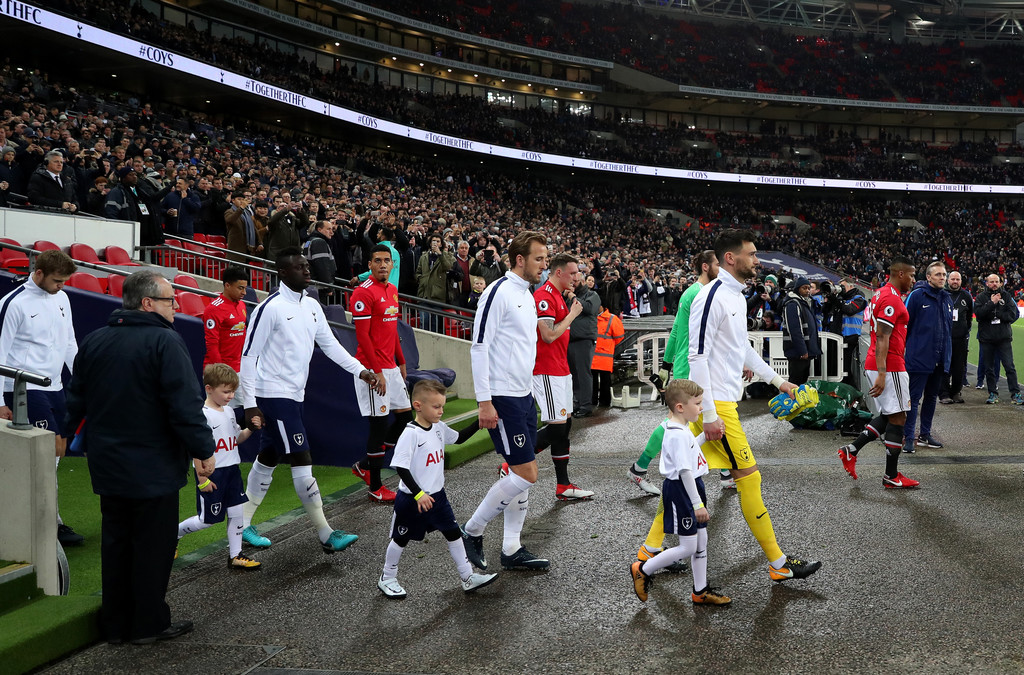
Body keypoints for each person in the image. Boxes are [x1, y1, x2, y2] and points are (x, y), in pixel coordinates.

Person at [64, 270, 216, 644]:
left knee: (116, 542)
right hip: (154, 463)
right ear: (147, 303)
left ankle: (115, 624)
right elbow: (184, 404)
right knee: (152, 545)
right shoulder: (166, 341)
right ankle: (148, 623)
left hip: (108, 462)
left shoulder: (95, 340)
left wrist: (66, 433)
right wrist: (203, 449)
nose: (176, 306)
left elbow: (76, 398)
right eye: (169, 300)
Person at [688, 229, 821, 582]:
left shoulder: (735, 295)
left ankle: (647, 553)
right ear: (730, 258)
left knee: (684, 476)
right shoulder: (710, 296)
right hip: (715, 405)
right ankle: (778, 563)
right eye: (751, 254)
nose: (757, 260)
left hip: (721, 402)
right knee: (749, 477)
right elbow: (696, 356)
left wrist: (780, 382)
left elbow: (743, 349)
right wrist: (710, 414)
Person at [238, 248, 383, 552]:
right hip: (273, 394)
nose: (307, 270)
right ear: (282, 272)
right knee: (302, 458)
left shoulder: (313, 305)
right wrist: (249, 402)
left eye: (307, 266)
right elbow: (248, 357)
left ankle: (241, 524)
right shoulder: (270, 308)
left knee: (269, 455)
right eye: (299, 267)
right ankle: (326, 534)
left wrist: (361, 371)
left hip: (295, 394)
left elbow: (330, 345)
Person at [461, 230, 551, 573]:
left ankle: (511, 549)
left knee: (519, 470)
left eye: (545, 259)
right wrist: (485, 401)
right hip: (502, 396)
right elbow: (479, 346)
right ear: (520, 259)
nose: (543, 265)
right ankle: (472, 530)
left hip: (523, 394)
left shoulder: (527, 293)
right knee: (527, 474)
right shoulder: (497, 292)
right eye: (539, 259)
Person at [376, 380, 496, 598]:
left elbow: (458, 438)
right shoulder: (411, 434)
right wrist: (419, 494)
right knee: (400, 538)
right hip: (412, 499)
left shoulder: (438, 427)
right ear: (418, 405)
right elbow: (401, 467)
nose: (441, 411)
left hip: (438, 497)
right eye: (436, 406)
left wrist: (479, 423)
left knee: (453, 534)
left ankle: (467, 577)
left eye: (442, 406)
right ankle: (387, 577)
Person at [0, 250, 82, 546]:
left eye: (64, 281)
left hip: (55, 386)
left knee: (57, 452)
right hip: (23, 387)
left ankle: (46, 520)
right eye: (57, 280)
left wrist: (84, 381)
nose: (61, 285)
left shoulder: (63, 297)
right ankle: (46, 525)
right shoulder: (13, 303)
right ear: (38, 273)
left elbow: (70, 342)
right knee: (44, 453)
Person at [629, 379, 731, 606]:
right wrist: (697, 504)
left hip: (692, 485)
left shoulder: (679, 428)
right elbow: (684, 471)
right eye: (697, 403)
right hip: (682, 490)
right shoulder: (676, 434)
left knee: (701, 541)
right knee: (689, 546)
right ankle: (643, 569)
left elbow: (689, 449)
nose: (701, 408)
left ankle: (700, 591)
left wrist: (705, 437)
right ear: (680, 407)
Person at [641, 251, 723, 494]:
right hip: (692, 364)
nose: (722, 268)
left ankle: (726, 470)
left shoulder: (692, 292)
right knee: (677, 422)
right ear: (706, 267)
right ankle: (639, 468)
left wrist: (666, 366)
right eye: (718, 264)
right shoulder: (698, 293)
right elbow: (680, 331)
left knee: (705, 415)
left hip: (690, 363)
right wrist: (668, 366)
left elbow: (676, 330)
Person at [838, 256, 921, 489]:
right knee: (899, 417)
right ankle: (891, 476)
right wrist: (883, 374)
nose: (913, 280)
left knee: (888, 414)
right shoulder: (890, 298)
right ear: (900, 274)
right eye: (912, 275)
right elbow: (883, 336)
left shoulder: (881, 294)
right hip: (889, 364)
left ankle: (851, 450)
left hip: (883, 362)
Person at [176, 364, 262, 570]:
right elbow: (196, 447)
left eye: (233, 391)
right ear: (209, 389)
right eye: (226, 391)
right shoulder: (202, 415)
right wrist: (202, 479)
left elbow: (236, 439)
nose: (231, 396)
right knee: (207, 520)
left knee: (237, 513)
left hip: (232, 471)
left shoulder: (229, 412)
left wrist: (251, 428)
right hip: (213, 474)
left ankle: (236, 556)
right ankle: (174, 534)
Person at [520, 252, 591, 500]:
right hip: (546, 370)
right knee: (557, 428)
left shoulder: (559, 295)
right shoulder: (544, 296)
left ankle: (564, 485)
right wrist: (572, 314)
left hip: (560, 369)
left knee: (565, 426)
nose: (576, 278)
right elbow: (548, 335)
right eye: (572, 273)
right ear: (559, 272)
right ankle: (513, 463)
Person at [350, 244, 413, 502]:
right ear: (369, 265)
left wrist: (401, 361)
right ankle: (375, 487)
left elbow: (392, 328)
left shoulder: (392, 290)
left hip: (391, 366)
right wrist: (377, 372)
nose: (383, 264)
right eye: (377, 260)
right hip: (371, 368)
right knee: (378, 426)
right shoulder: (362, 293)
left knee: (405, 419)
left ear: (392, 264)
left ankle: (365, 465)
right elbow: (363, 336)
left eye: (387, 260)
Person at [902, 262, 952, 452]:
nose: (942, 278)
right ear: (928, 277)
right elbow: (905, 325)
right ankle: (908, 437)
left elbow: (947, 329)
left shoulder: (947, 298)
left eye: (944, 274)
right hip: (919, 357)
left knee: (931, 398)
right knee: (913, 399)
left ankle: (925, 434)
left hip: (939, 358)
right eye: (938, 274)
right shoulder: (917, 296)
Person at [975, 273, 1021, 405]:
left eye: (996, 281)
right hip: (987, 339)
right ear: (987, 283)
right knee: (989, 368)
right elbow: (978, 315)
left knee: (1009, 366)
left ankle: (1015, 393)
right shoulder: (981, 297)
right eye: (991, 282)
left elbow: (1012, 315)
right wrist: (992, 303)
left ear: (1001, 283)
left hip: (1003, 338)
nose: (994, 284)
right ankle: (992, 393)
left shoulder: (1006, 296)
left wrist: (998, 314)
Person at [568, 266, 600, 417]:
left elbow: (588, 308)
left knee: (583, 373)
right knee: (574, 374)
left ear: (582, 281)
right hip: (571, 339)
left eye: (575, 281)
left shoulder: (592, 295)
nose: (573, 283)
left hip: (585, 339)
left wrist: (573, 297)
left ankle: (586, 405)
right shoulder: (568, 297)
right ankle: (577, 403)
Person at [202, 266, 249, 372]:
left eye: (245, 288)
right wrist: (220, 369)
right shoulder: (214, 309)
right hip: (219, 369)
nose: (244, 292)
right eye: (240, 288)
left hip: (239, 367)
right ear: (227, 285)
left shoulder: (242, 305)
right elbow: (211, 343)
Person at [781, 277, 821, 386]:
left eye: (809, 288)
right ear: (797, 289)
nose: (807, 290)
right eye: (804, 288)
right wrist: (802, 350)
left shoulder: (803, 302)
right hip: (798, 353)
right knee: (795, 383)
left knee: (802, 383)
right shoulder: (792, 304)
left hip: (805, 351)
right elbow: (795, 330)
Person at [940, 271, 973, 405]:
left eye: (957, 279)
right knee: (944, 366)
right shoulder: (941, 294)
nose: (955, 281)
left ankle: (956, 392)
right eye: (953, 279)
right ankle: (944, 394)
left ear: (961, 281)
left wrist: (964, 330)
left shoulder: (966, 296)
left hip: (960, 339)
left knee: (959, 367)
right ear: (948, 280)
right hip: (944, 338)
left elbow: (969, 316)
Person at [415, 233, 454, 333]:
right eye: (433, 241)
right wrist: (421, 279)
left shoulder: (446, 255)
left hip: (438, 296)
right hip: (424, 294)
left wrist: (440, 254)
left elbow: (447, 267)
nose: (435, 243)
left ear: (441, 244)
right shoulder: (424, 256)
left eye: (438, 241)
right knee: (424, 322)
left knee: (435, 325)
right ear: (430, 243)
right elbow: (418, 272)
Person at [590, 301, 624, 408]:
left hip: (601, 356)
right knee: (598, 381)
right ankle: (599, 403)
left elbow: (619, 336)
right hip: (601, 356)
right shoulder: (611, 319)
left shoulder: (611, 318)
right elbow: (619, 337)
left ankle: (599, 402)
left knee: (600, 381)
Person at [837, 279, 868, 388]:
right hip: (841, 336)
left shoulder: (859, 299)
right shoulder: (844, 299)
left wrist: (839, 302)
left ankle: (851, 388)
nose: (841, 289)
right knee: (840, 366)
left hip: (852, 336)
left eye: (843, 286)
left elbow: (850, 310)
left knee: (846, 366)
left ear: (851, 286)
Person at [303, 220, 338, 303]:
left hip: (314, 285)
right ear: (319, 229)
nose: (331, 232)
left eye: (332, 229)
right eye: (328, 229)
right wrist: (328, 287)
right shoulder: (319, 242)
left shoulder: (310, 240)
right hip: (319, 288)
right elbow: (322, 266)